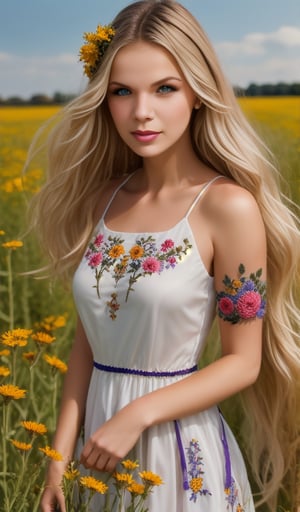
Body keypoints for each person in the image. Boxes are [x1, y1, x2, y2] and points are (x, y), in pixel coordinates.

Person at [27, 1, 300, 511]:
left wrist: (137, 415)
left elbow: (243, 363)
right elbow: (88, 344)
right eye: (122, 91)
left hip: (179, 453)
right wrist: (57, 459)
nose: (141, 112)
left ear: (198, 93)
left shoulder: (228, 208)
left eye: (165, 88)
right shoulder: (102, 199)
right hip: (97, 454)